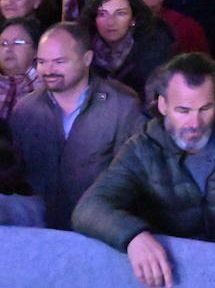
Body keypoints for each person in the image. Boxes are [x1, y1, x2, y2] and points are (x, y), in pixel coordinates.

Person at [72, 53, 215, 288]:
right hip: (173, 275)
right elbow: (89, 208)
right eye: (183, 110)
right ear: (162, 105)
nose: (195, 122)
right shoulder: (142, 149)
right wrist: (133, 236)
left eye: (205, 108)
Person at [9, 22, 144, 229]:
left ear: (87, 59)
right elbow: (17, 175)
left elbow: (133, 180)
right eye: (42, 62)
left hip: (100, 227)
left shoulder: (122, 108)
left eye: (59, 62)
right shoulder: (25, 110)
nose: (48, 70)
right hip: (39, 227)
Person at [79, 0, 175, 98]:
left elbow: (158, 98)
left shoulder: (155, 49)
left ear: (133, 19)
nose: (110, 22)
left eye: (120, 14)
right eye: (102, 14)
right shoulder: (81, 46)